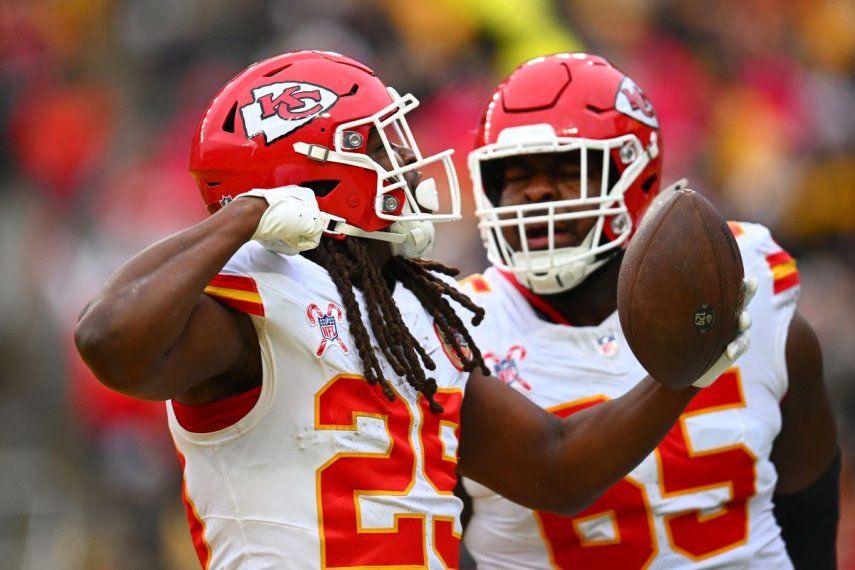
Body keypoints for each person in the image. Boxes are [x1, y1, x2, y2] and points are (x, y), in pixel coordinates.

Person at [74, 50, 751, 569]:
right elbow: (110, 340)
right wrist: (246, 218)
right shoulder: (251, 293)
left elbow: (554, 467)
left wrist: (681, 375)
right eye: (378, 142)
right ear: (311, 177)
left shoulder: (407, 311)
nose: (408, 159)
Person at [459, 53, 839, 569]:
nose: (538, 191)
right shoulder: (459, 329)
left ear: (636, 178)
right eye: (514, 173)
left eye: (569, 168)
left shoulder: (740, 281)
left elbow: (809, 500)